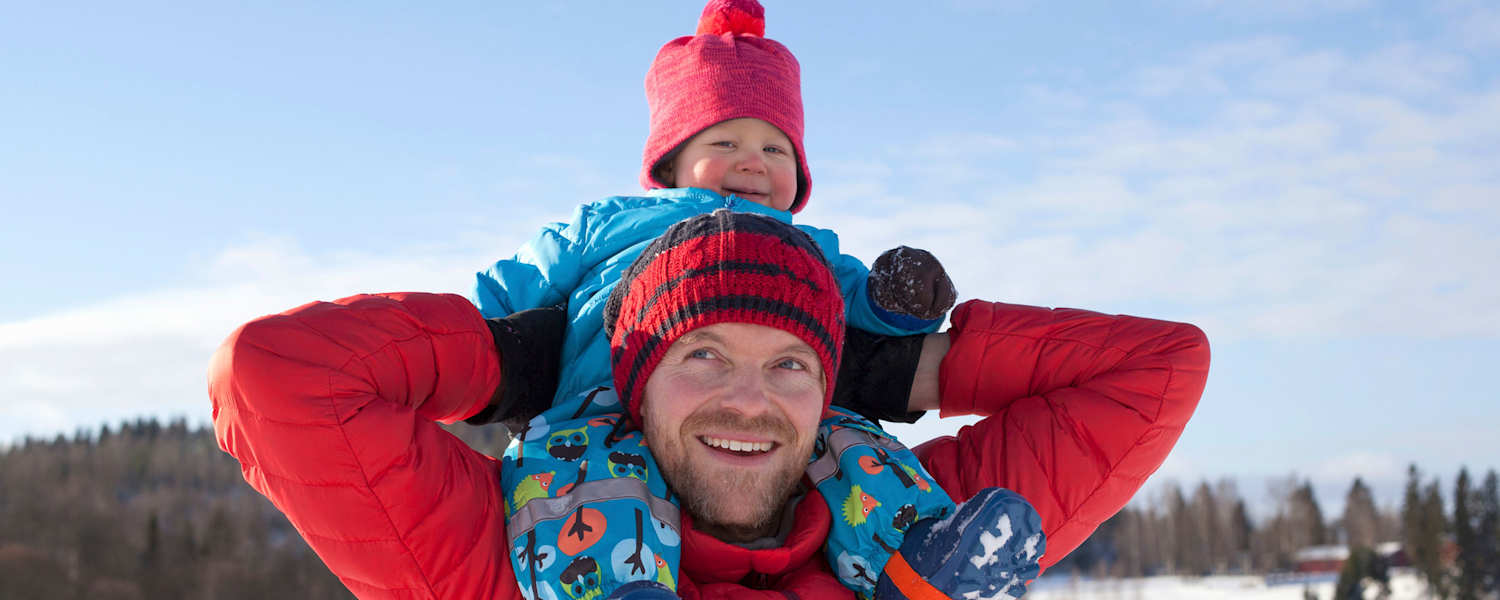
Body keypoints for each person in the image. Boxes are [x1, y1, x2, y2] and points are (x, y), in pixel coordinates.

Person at [208, 211, 1211, 599]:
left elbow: (1159, 368)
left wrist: (916, 371)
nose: (750, 399)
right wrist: (501, 358)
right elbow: (274, 378)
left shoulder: (921, 521)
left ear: (832, 390)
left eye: (790, 367)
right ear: (635, 386)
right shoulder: (504, 554)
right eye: (703, 355)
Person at [465, 1, 976, 597]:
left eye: (776, 149)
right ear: (671, 160)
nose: (753, 161)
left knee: (855, 449)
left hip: (760, 415)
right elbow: (522, 279)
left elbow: (855, 305)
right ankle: (617, 588)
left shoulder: (806, 248)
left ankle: (916, 559)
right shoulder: (612, 223)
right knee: (582, 479)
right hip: (601, 407)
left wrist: (897, 298)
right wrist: (475, 336)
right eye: (727, 140)